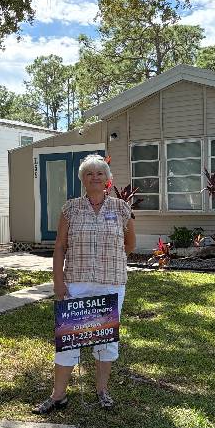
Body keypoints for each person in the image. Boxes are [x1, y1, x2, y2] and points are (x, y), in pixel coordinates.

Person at [33, 153, 135, 413]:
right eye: (89, 173)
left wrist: (110, 258)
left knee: (106, 340)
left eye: (100, 173)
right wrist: (58, 283)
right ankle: (59, 396)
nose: (95, 177)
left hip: (111, 283)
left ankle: (102, 391)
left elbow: (130, 244)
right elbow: (59, 246)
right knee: (69, 339)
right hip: (76, 282)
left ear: (108, 179)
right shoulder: (71, 208)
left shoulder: (121, 208)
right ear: (83, 179)